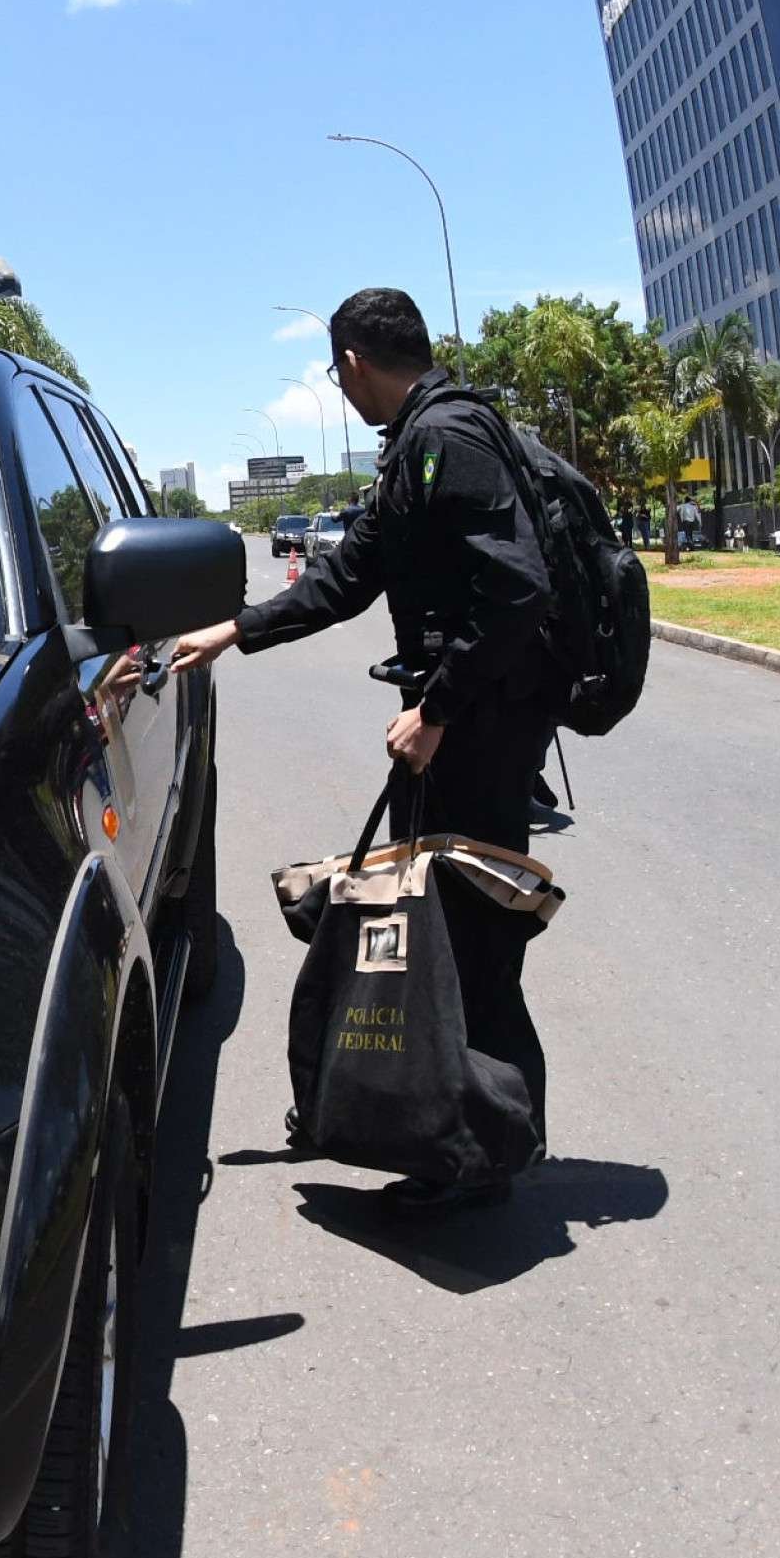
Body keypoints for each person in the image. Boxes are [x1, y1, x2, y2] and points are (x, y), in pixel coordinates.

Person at [172, 287, 558, 1210]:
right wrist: (234, 629)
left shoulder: (446, 441)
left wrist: (439, 710)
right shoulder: (415, 449)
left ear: (350, 363)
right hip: (467, 726)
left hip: (482, 733)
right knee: (461, 941)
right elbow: (347, 578)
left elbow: (518, 591)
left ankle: (482, 1161)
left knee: (474, 946)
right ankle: (478, 1146)